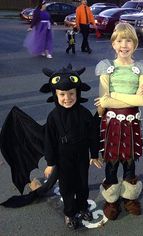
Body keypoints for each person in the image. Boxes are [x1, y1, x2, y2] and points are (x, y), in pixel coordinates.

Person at [94, 23, 143, 220]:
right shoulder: (106, 67)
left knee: (130, 161)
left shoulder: (141, 67)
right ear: (113, 43)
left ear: (134, 43)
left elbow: (142, 101)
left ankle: (130, 197)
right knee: (111, 161)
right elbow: (103, 102)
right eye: (119, 40)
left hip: (131, 122)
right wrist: (123, 98)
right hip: (111, 123)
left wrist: (113, 95)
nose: (124, 45)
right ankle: (111, 199)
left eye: (128, 40)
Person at [42, 64, 103, 229]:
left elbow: (93, 135)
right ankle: (69, 213)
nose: (67, 98)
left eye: (71, 93)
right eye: (62, 94)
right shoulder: (53, 117)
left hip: (82, 154)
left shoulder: (83, 114)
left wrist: (95, 154)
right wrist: (50, 162)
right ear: (55, 94)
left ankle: (82, 206)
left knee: (82, 184)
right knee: (67, 186)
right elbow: (49, 141)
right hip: (63, 156)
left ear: (77, 93)